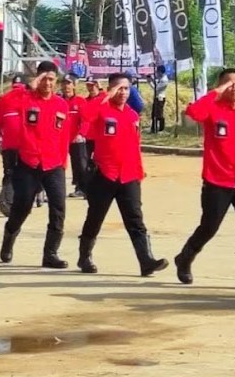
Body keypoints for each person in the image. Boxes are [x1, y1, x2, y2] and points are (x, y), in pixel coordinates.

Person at [174, 68, 235, 291]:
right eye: (229, 84)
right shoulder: (212, 110)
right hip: (217, 180)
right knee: (209, 227)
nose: (234, 88)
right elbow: (194, 113)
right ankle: (185, 258)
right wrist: (216, 92)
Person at [75, 72, 168, 276]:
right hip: (105, 174)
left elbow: (135, 146)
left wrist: (139, 171)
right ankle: (84, 256)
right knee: (95, 217)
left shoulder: (132, 115)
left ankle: (146, 260)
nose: (123, 92)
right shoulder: (101, 109)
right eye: (118, 88)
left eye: (126, 88)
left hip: (129, 176)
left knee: (135, 220)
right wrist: (105, 96)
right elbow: (86, 115)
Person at [0, 61, 71, 269]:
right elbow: (5, 102)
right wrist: (31, 86)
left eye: (51, 79)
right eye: (44, 79)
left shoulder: (61, 105)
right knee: (22, 207)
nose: (48, 83)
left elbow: (64, 137)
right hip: (28, 162)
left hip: (53, 164)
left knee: (58, 208)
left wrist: (63, 163)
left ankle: (50, 253)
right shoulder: (25, 99)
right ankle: (9, 235)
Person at [0, 75, 26, 216]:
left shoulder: (5, 100)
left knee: (9, 173)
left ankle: (7, 199)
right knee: (21, 175)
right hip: (24, 145)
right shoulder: (29, 100)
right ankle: (8, 201)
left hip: (8, 145)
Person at [60, 74, 89, 199]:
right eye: (64, 83)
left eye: (69, 83)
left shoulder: (81, 101)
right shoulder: (58, 101)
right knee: (58, 165)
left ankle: (83, 188)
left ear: (74, 85)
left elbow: (86, 120)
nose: (66, 86)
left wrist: (81, 134)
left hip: (76, 139)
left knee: (80, 164)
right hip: (60, 139)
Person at [149, 65, 169, 133]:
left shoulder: (164, 80)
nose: (157, 73)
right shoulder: (161, 78)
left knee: (159, 114)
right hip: (157, 97)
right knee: (154, 113)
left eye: (157, 72)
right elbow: (156, 83)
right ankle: (153, 128)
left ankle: (161, 129)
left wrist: (150, 82)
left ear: (160, 72)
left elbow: (156, 89)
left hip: (160, 98)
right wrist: (151, 79)